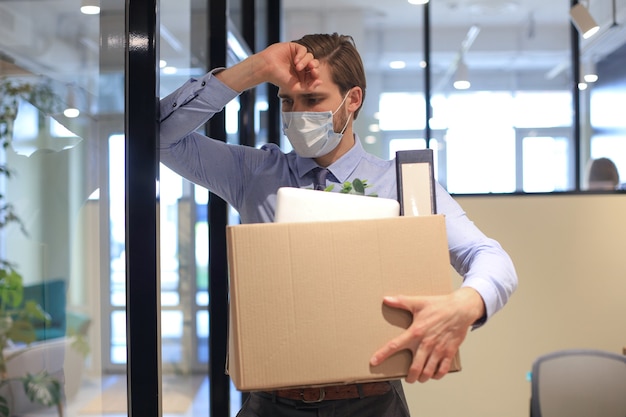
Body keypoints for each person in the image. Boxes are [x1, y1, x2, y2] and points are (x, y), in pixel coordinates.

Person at [160, 33, 518, 417]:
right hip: (271, 404)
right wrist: (254, 69)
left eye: (312, 100)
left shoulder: (402, 183)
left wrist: (468, 302)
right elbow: (159, 138)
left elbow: (488, 255)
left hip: (372, 402)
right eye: (287, 102)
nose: (297, 114)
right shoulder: (255, 172)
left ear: (353, 100)